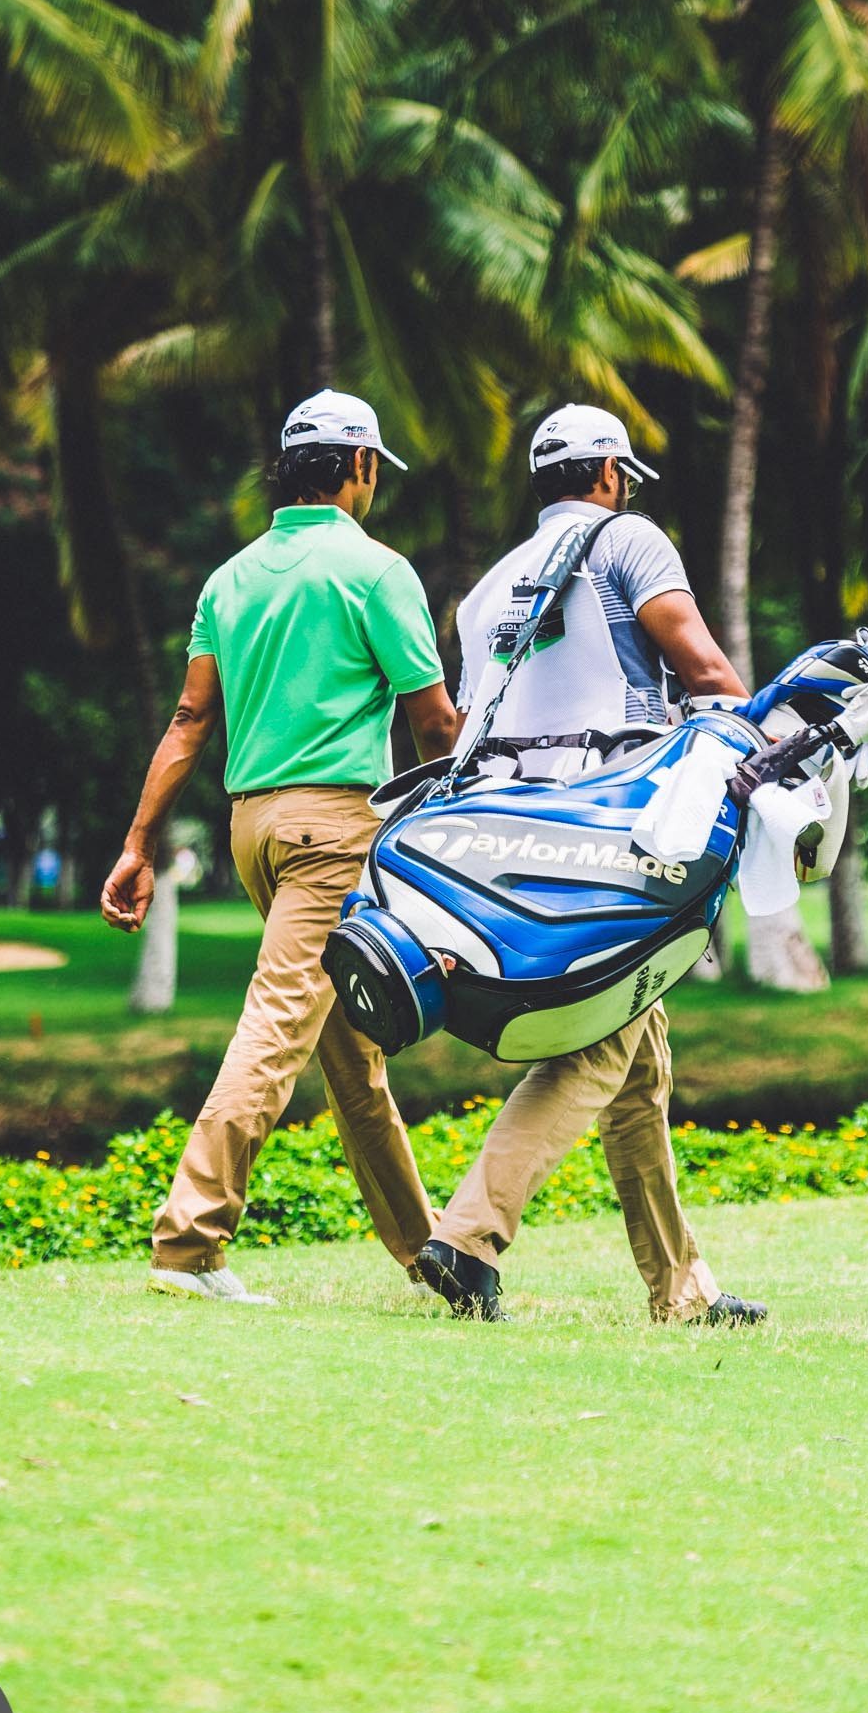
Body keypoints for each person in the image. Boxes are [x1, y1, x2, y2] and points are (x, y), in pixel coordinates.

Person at [412, 403, 768, 1328]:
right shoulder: (629, 540)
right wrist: (761, 751)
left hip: (509, 837)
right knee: (602, 1037)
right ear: (610, 474)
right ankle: (468, 1237)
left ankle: (682, 1292)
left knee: (639, 1071)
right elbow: (702, 667)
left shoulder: (488, 589)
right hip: (614, 830)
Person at [101, 390, 459, 1304]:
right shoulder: (378, 572)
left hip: (252, 831)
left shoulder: (230, 579)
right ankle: (189, 1242)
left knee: (350, 1058)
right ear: (359, 468)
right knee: (275, 1028)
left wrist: (138, 845)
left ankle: (435, 1261)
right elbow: (432, 719)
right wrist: (458, 826)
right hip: (335, 832)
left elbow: (187, 724)